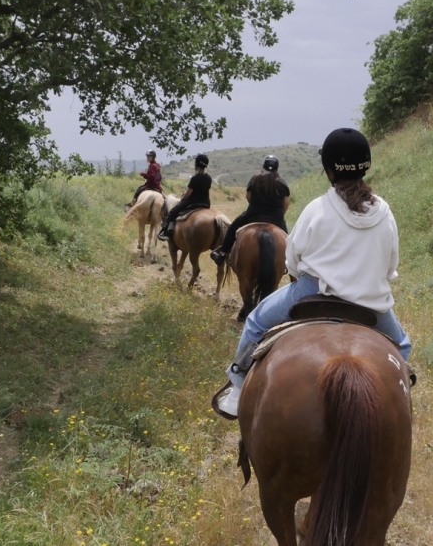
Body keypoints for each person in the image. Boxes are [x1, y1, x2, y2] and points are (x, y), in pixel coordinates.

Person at [215, 128, 412, 419]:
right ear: (366, 165)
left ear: (329, 169)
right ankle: (401, 396)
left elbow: (292, 260)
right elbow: (390, 265)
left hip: (312, 292)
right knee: (403, 347)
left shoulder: (317, 208)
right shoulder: (384, 212)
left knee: (255, 322)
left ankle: (238, 388)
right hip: (371, 302)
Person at [209, 156, 290, 266]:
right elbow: (286, 203)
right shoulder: (282, 182)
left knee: (233, 228)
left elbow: (248, 197)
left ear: (264, 166)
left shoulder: (255, 178)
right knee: (288, 240)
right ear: (277, 168)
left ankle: (222, 254)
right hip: (276, 217)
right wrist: (280, 215)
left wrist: (255, 206)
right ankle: (291, 265)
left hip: (253, 214)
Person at [158, 153, 213, 241]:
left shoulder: (194, 178)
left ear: (196, 164)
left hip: (193, 202)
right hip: (206, 203)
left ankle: (166, 232)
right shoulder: (209, 178)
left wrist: (183, 197)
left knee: (172, 212)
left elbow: (189, 193)